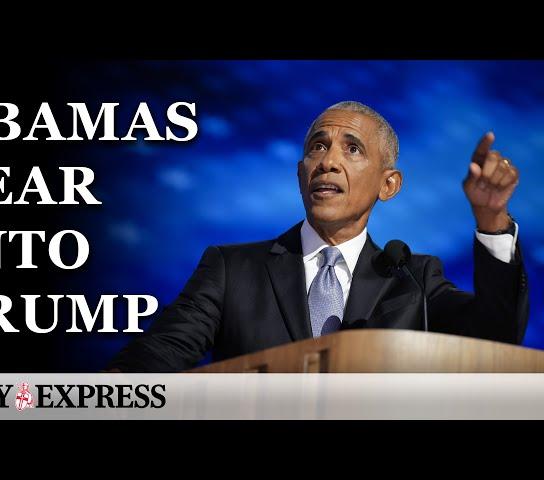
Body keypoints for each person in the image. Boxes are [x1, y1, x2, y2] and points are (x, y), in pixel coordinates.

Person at [108, 101, 529, 372]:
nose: (327, 161)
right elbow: (158, 355)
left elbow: (496, 338)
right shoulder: (231, 269)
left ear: (389, 185)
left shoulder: (413, 280)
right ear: (299, 174)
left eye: (352, 149)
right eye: (316, 147)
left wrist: (492, 219)